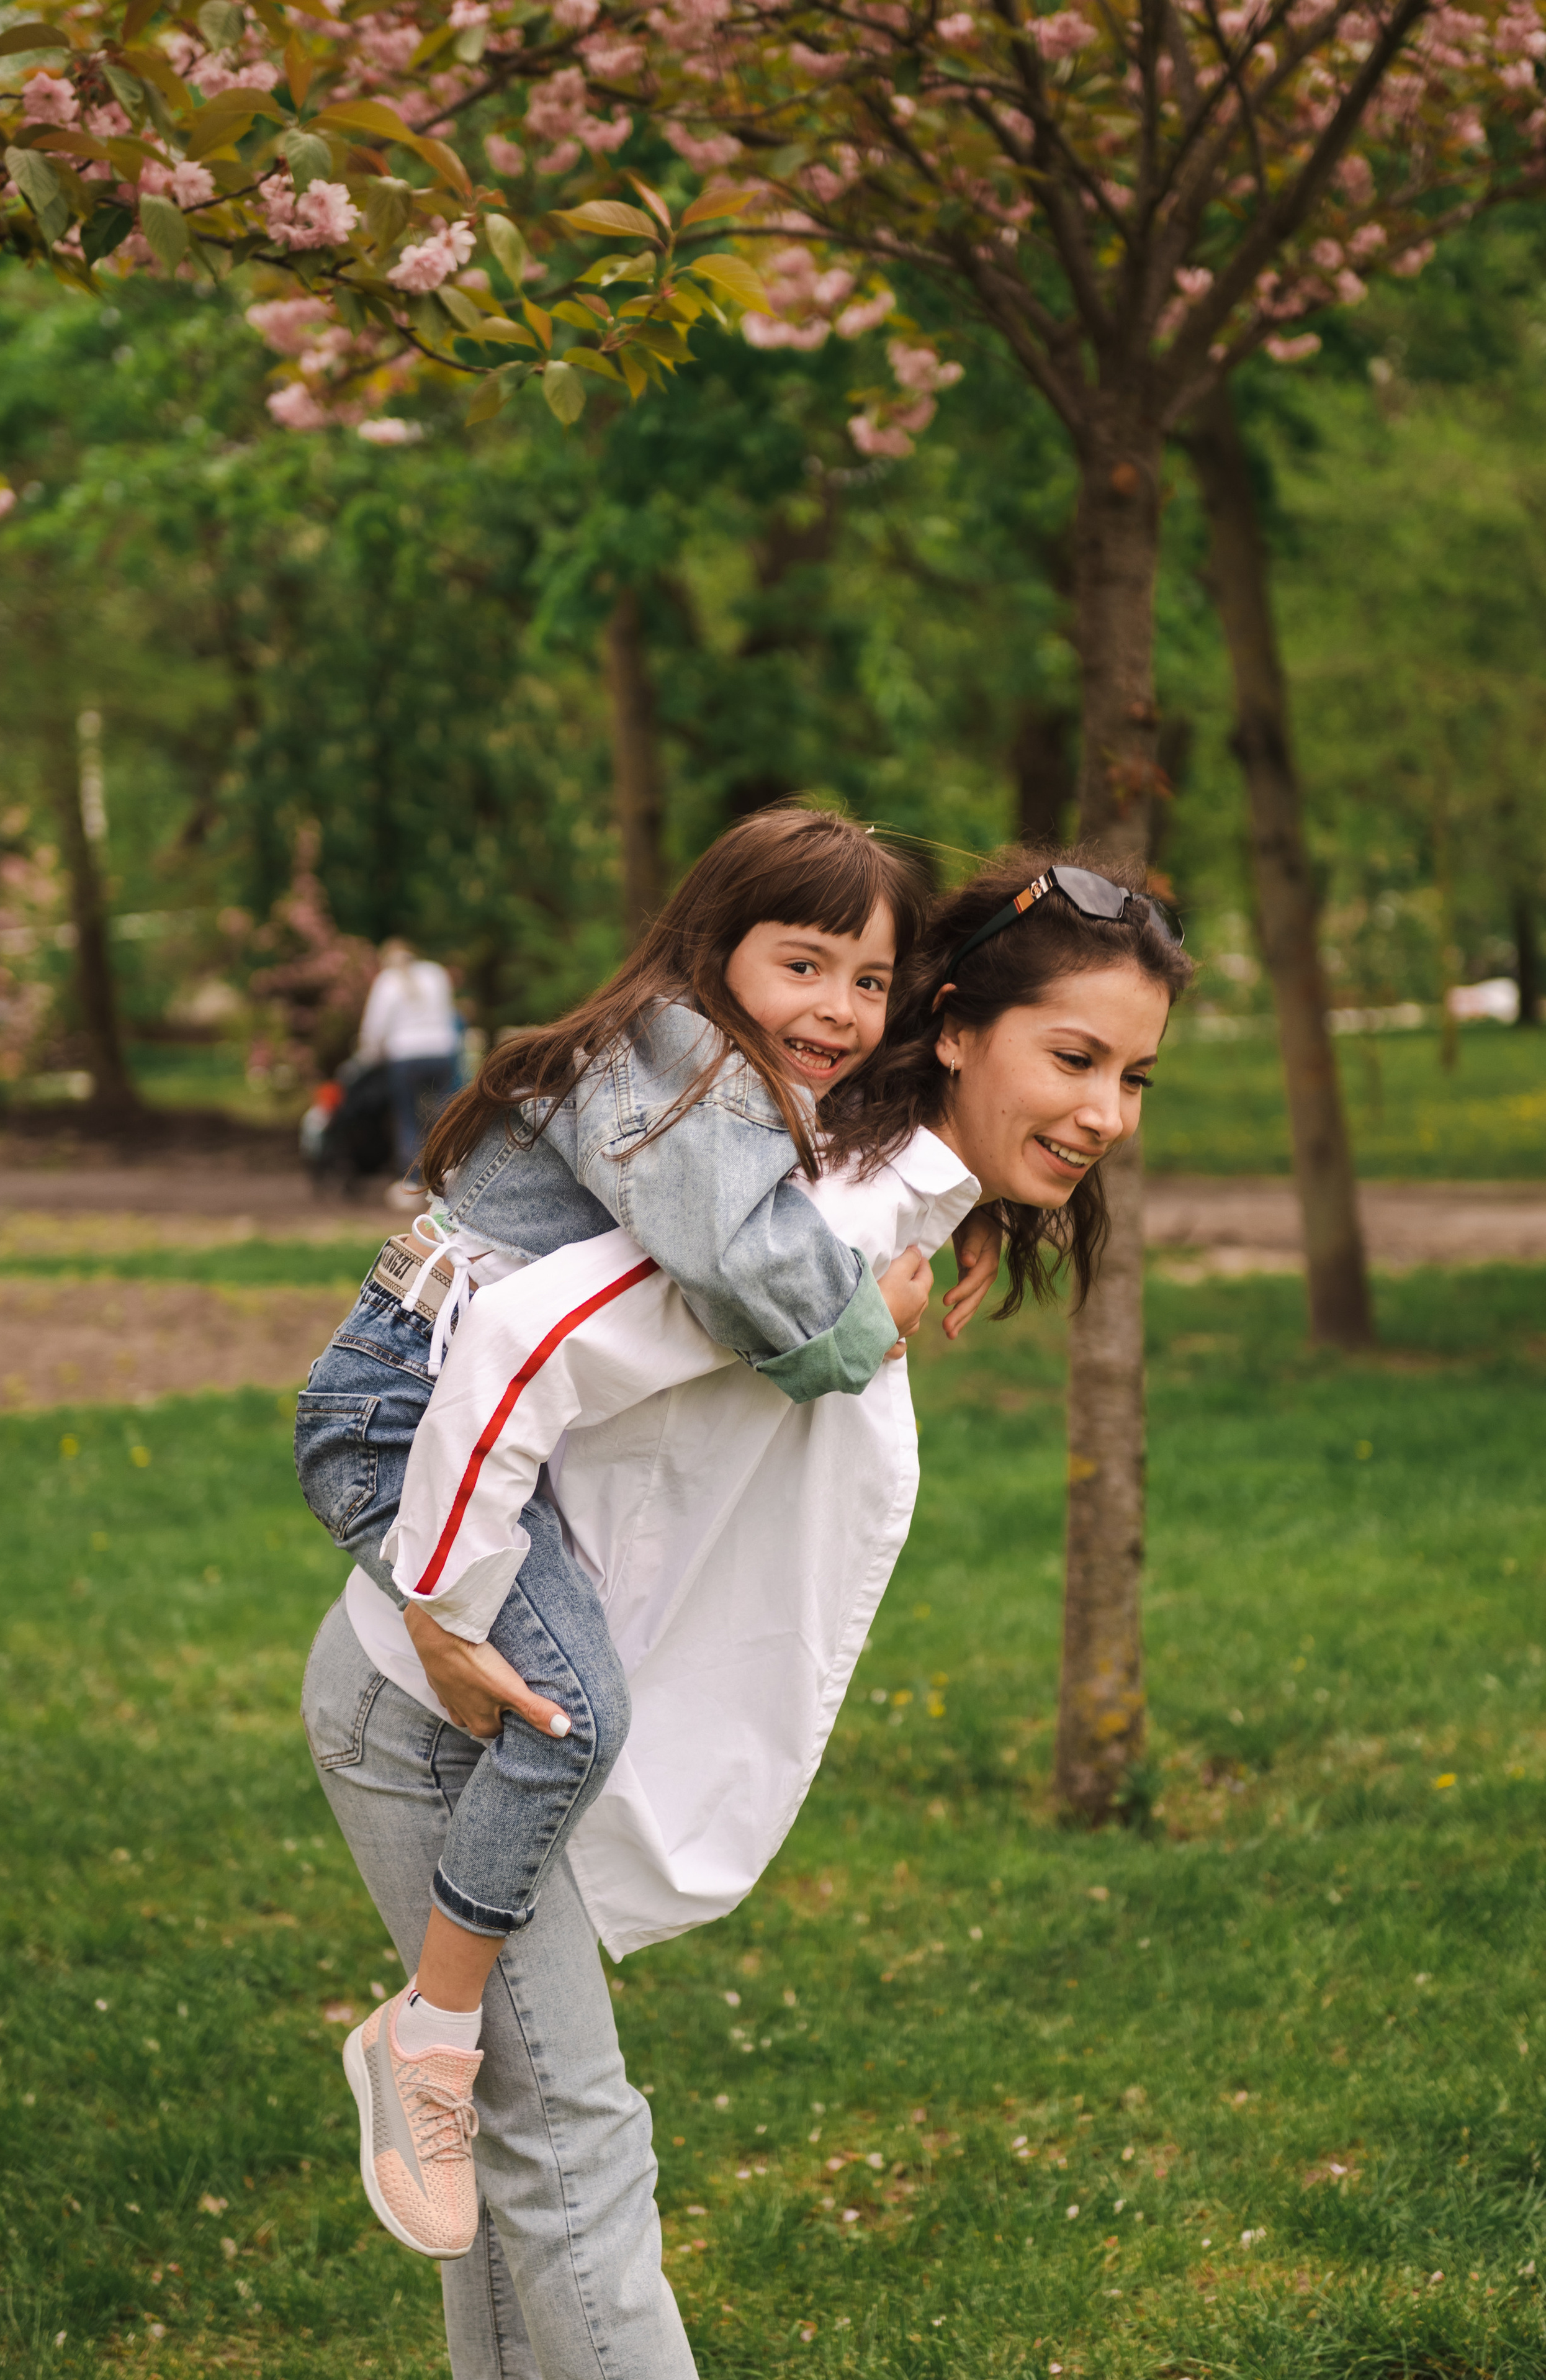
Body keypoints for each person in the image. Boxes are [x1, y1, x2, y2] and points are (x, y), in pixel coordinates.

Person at [299, 841, 1193, 2379]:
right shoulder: (802, 1220)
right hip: (458, 1696)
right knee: (575, 2153)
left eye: (1133, 1078)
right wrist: (444, 1608)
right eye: (1072, 1059)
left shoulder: (872, 1195)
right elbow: (521, 1335)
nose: (1106, 1114)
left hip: (514, 1685)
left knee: (531, 2160)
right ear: (957, 1028)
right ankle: (418, 2041)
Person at [356, 939, 462, 1202]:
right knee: (444, 1116)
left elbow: (374, 1028)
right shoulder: (435, 973)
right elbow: (450, 1013)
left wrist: (367, 1058)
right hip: (441, 1051)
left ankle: (412, 1184)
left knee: (408, 1119)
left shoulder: (387, 981)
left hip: (405, 1056)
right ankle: (451, 1175)